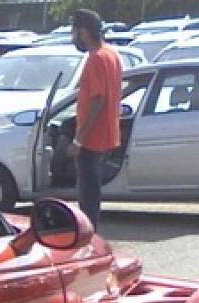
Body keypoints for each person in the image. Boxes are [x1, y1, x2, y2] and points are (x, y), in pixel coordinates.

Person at [68, 8, 122, 232]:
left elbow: (97, 99)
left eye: (73, 31)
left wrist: (78, 139)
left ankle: (89, 239)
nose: (73, 37)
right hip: (107, 135)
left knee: (88, 197)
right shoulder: (112, 54)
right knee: (92, 193)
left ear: (83, 32)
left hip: (92, 139)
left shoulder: (96, 58)